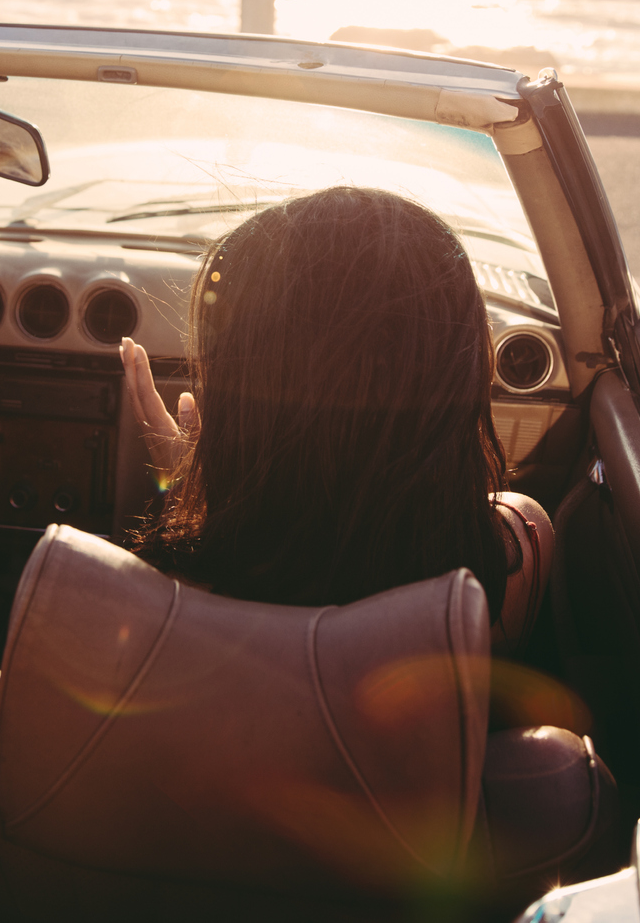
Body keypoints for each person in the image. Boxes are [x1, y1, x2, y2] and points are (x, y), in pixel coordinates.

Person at [118, 185, 550, 644]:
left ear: (240, 404)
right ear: (455, 377)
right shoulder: (516, 550)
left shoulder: (163, 598)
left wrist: (188, 503)